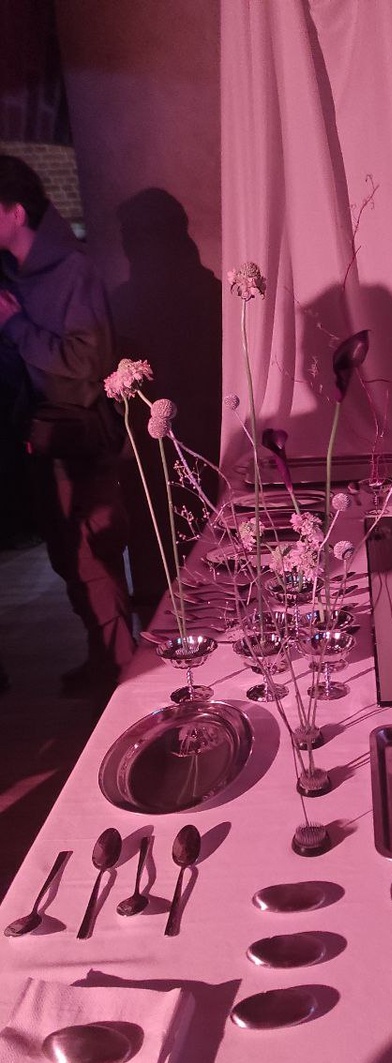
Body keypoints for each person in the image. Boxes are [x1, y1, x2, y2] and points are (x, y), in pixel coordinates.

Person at [0, 155, 135, 696]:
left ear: (13, 212)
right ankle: (103, 657)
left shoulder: (72, 270)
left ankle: (125, 673)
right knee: (67, 556)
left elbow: (86, 364)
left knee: (92, 555)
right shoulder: (13, 273)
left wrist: (15, 325)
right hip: (39, 434)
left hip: (79, 436)